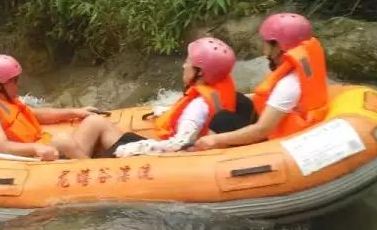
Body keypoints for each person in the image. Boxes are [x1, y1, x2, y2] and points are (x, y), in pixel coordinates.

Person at [194, 12, 328, 151]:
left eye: (266, 43)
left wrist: (214, 139)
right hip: (289, 118)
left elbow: (263, 129)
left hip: (277, 140)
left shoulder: (289, 84)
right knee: (238, 100)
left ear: (278, 46)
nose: (264, 50)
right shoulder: (304, 68)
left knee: (223, 119)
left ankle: (206, 154)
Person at [0, 54, 135, 160]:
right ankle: (96, 172)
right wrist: (35, 148)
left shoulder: (8, 101)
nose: (17, 85)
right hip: (30, 160)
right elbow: (2, 147)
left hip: (47, 151)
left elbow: (35, 115)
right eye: (13, 81)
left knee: (95, 121)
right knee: (62, 140)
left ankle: (137, 154)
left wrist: (73, 112)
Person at [113, 37, 253, 157]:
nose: (184, 65)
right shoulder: (217, 92)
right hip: (205, 135)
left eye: (188, 62)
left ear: (199, 73)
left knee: (111, 138)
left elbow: (180, 144)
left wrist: (134, 148)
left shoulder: (198, 106)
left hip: (185, 156)